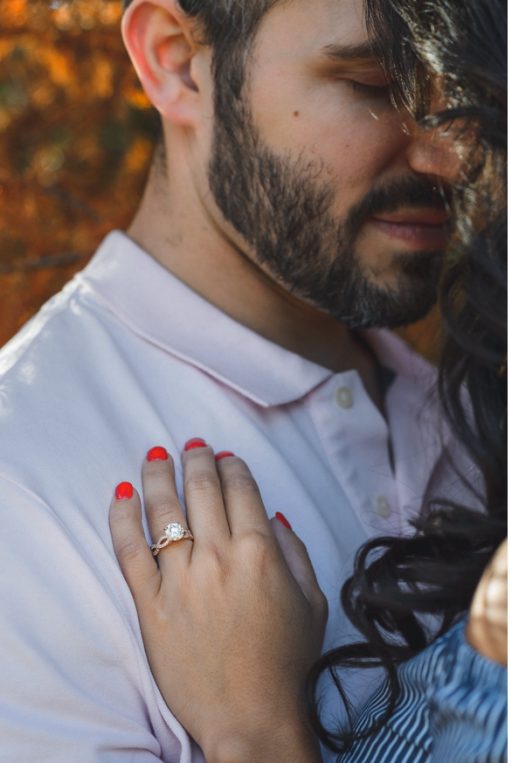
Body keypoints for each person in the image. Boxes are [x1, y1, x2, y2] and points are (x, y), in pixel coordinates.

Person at [0, 0, 469, 758]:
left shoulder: (473, 408)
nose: (446, 156)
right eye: (376, 84)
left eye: (466, 95)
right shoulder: (22, 488)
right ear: (178, 62)